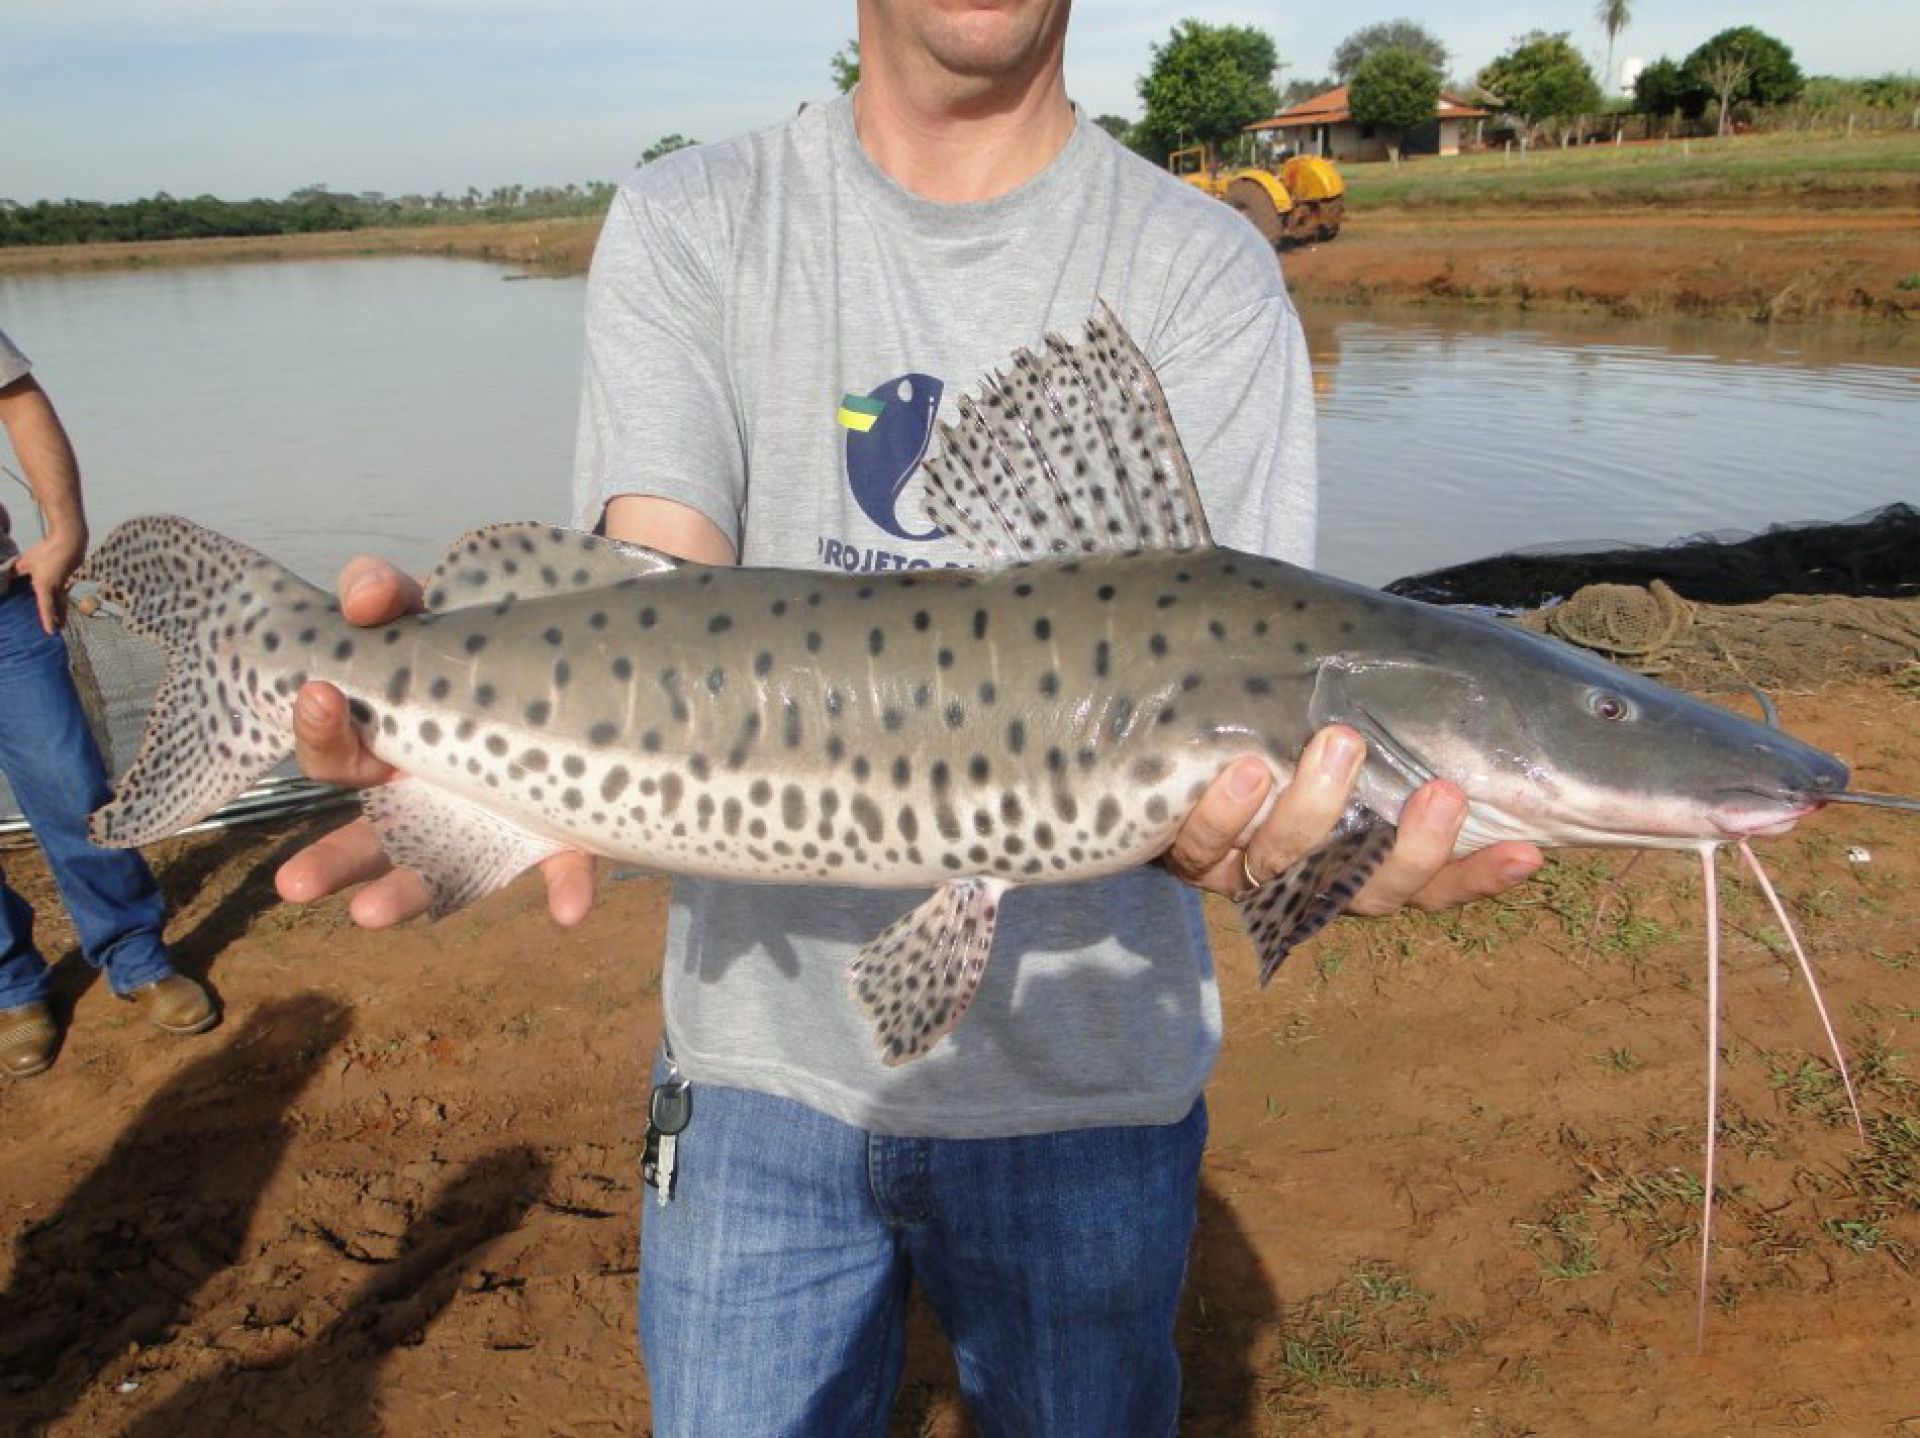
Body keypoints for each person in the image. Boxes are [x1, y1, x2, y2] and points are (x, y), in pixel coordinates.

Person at [276, 2, 1543, 1430]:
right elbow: (659, 567)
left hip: (1091, 1090)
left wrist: (1286, 845)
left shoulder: (1203, 266)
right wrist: (490, 770)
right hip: (751, 1074)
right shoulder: (693, 214)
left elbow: (1230, 681)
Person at [0, 329, 217, 1078]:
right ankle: (13, 989)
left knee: (72, 786)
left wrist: (66, 532)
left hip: (3, 612)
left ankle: (137, 956)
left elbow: (19, 399)